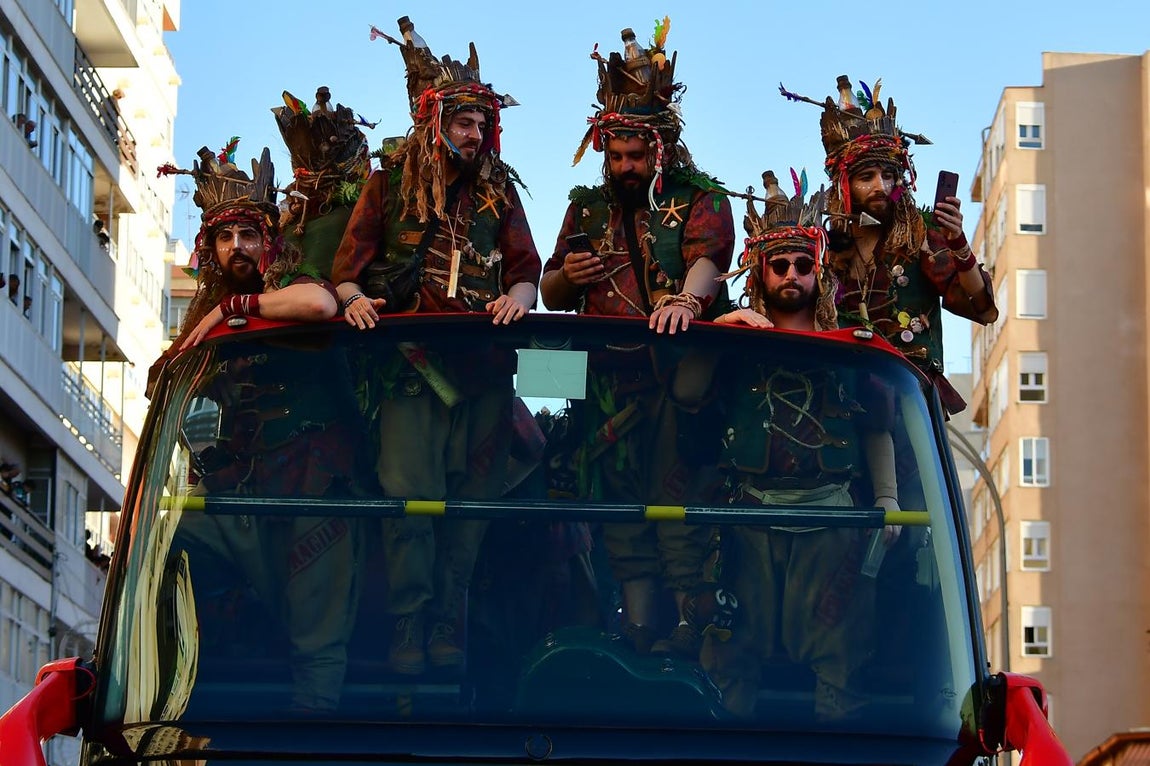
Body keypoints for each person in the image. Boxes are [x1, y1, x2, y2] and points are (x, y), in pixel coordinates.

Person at [331, 17, 541, 675]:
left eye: (482, 122)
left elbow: (527, 270)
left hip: (483, 373)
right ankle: (407, 627)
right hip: (409, 371)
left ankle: (450, 617)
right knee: (408, 504)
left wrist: (519, 297)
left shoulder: (500, 191)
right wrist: (354, 299)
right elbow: (344, 272)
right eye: (463, 121)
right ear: (435, 123)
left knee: (470, 509)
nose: (475, 133)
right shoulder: (386, 185)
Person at [538, 20, 734, 658]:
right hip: (601, 386)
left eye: (636, 156)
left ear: (660, 149)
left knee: (677, 507)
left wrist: (685, 299)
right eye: (615, 155)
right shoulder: (584, 207)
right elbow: (549, 292)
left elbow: (711, 261)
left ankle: (687, 630)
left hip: (678, 381)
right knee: (618, 511)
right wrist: (568, 274)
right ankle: (638, 630)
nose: (624, 167)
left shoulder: (701, 198)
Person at [154, 141, 362, 713]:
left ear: (268, 240)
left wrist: (234, 310)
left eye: (248, 235)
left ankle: (311, 734)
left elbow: (320, 306)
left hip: (313, 480)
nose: (238, 247)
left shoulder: (285, 279)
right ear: (211, 247)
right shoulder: (209, 306)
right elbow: (166, 382)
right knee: (169, 541)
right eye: (226, 238)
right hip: (243, 486)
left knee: (315, 630)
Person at [698, 172, 902, 720]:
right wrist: (721, 327)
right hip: (750, 519)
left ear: (820, 269)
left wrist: (887, 499)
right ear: (760, 271)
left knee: (842, 663)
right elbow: (687, 393)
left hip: (832, 520)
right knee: (731, 656)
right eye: (779, 265)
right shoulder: (737, 338)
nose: (792, 274)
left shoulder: (852, 344)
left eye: (803, 265)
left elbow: (878, 423)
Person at [782, 76, 997, 414]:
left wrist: (958, 244)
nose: (881, 186)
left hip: (909, 399)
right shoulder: (822, 249)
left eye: (888, 175)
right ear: (844, 186)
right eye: (866, 177)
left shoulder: (918, 233)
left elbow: (980, 304)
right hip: (840, 402)